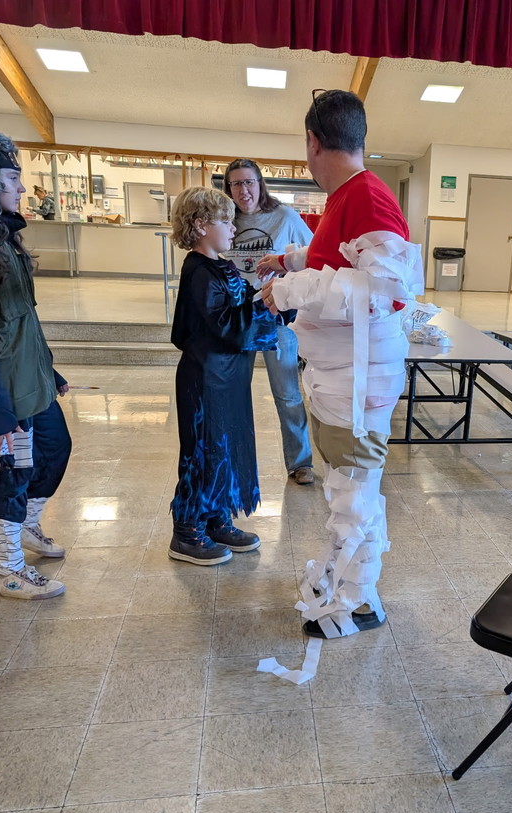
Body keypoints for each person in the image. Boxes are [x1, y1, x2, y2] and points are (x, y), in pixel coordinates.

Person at [259, 90, 423, 639]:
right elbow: (339, 257)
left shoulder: (368, 196)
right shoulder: (348, 195)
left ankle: (357, 603)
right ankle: (357, 593)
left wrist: (291, 289)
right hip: (343, 375)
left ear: (312, 141)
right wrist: (289, 261)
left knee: (353, 492)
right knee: (352, 488)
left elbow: (385, 291)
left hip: (358, 379)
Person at [168, 186, 278, 566]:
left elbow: (244, 301)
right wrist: (268, 308)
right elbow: (226, 324)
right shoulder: (198, 271)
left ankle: (216, 518)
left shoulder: (222, 265)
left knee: (224, 448)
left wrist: (275, 296)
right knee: (204, 450)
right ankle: (187, 531)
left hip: (228, 377)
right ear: (200, 225)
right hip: (205, 379)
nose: (234, 228)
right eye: (225, 221)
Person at [0, 133, 72, 600]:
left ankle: (24, 525)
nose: (22, 188)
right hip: (5, 389)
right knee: (12, 475)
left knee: (56, 447)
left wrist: (49, 369)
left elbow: (21, 319)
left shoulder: (6, 238)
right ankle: (6, 567)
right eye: (11, 178)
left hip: (31, 377)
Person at [223, 159, 314, 486]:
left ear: (260, 183)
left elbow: (314, 256)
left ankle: (301, 462)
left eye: (248, 182)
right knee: (233, 391)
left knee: (287, 392)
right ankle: (231, 461)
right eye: (236, 184)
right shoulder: (225, 218)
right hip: (236, 316)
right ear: (228, 188)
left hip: (276, 315)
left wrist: (286, 276)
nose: (243, 190)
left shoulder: (285, 217)